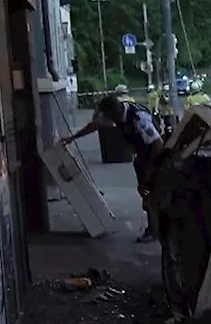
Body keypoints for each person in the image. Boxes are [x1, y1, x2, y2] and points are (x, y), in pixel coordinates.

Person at [61, 94, 165, 242]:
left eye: (106, 115)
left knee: (152, 193)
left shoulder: (139, 119)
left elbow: (158, 144)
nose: (106, 121)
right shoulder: (117, 114)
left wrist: (151, 169)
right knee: (145, 192)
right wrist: (72, 138)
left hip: (155, 156)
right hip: (142, 156)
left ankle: (157, 230)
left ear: (113, 112)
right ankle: (154, 228)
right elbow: (95, 125)